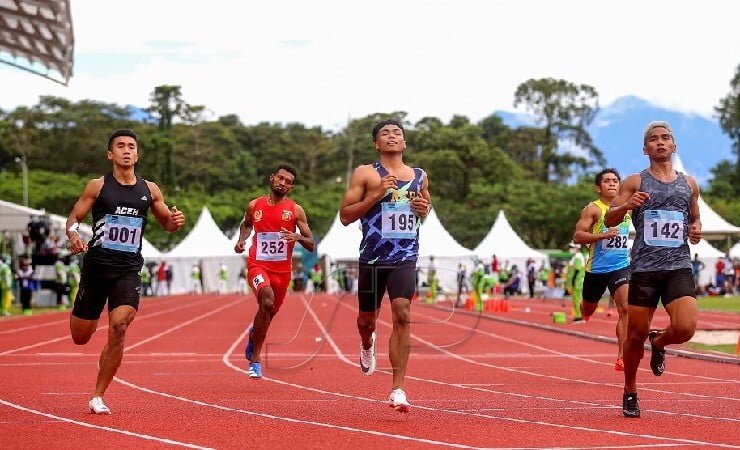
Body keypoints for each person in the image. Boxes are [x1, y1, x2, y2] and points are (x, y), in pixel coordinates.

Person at [65, 129, 186, 415]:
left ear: (137, 154)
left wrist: (175, 221)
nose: (127, 150)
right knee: (80, 337)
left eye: (131, 146)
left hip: (128, 268)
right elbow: (74, 218)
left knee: (119, 327)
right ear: (111, 154)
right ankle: (104, 352)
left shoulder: (150, 190)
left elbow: (167, 224)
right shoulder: (97, 186)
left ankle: (97, 395)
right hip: (96, 268)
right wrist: (72, 235)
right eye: (120, 146)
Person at [605, 121, 701, 418]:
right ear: (645, 149)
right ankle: (630, 389)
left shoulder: (689, 184)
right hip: (645, 269)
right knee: (635, 335)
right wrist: (626, 206)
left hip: (678, 265)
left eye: (665, 138)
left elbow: (694, 217)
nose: (660, 142)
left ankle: (659, 342)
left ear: (674, 146)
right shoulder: (635, 182)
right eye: (653, 139)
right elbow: (609, 219)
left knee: (685, 328)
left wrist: (695, 229)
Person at [339, 119, 431, 413]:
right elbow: (345, 215)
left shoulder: (419, 176)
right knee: (367, 320)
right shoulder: (366, 173)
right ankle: (367, 343)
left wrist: (422, 210)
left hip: (405, 256)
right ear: (377, 144)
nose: (392, 137)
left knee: (402, 314)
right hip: (373, 259)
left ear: (404, 143)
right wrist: (376, 194)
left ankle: (398, 388)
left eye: (397, 133)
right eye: (385, 134)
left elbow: (424, 209)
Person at [234, 164, 315, 379]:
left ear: (292, 187)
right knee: (266, 301)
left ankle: (253, 337)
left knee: (269, 313)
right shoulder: (255, 205)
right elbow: (247, 224)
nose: (283, 183)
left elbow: (311, 243)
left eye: (288, 182)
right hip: (258, 264)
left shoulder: (296, 210)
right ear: (272, 178)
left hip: (282, 271)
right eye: (280, 178)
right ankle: (256, 360)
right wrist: (241, 240)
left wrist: (297, 237)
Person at [573, 168, 631, 371]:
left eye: (615, 180)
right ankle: (585, 309)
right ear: (599, 188)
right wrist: (601, 236)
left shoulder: (627, 208)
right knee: (588, 308)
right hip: (597, 269)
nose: (612, 184)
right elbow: (578, 236)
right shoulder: (593, 209)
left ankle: (622, 357)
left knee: (625, 308)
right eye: (607, 181)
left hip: (621, 266)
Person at [566, 244, 586, 323]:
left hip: (577, 282)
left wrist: (573, 281)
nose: (570, 249)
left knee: (577, 300)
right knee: (576, 299)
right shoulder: (576, 257)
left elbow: (577, 270)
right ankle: (578, 316)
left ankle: (579, 317)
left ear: (576, 248)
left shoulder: (577, 257)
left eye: (572, 247)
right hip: (576, 282)